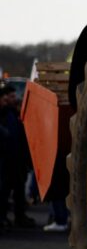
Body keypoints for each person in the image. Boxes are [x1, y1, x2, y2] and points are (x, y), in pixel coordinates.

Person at [0, 84, 36, 229]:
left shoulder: (13, 113)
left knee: (18, 190)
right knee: (4, 191)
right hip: (6, 160)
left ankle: (19, 216)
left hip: (17, 159)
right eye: (11, 96)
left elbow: (20, 137)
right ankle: (3, 218)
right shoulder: (4, 115)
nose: (14, 99)